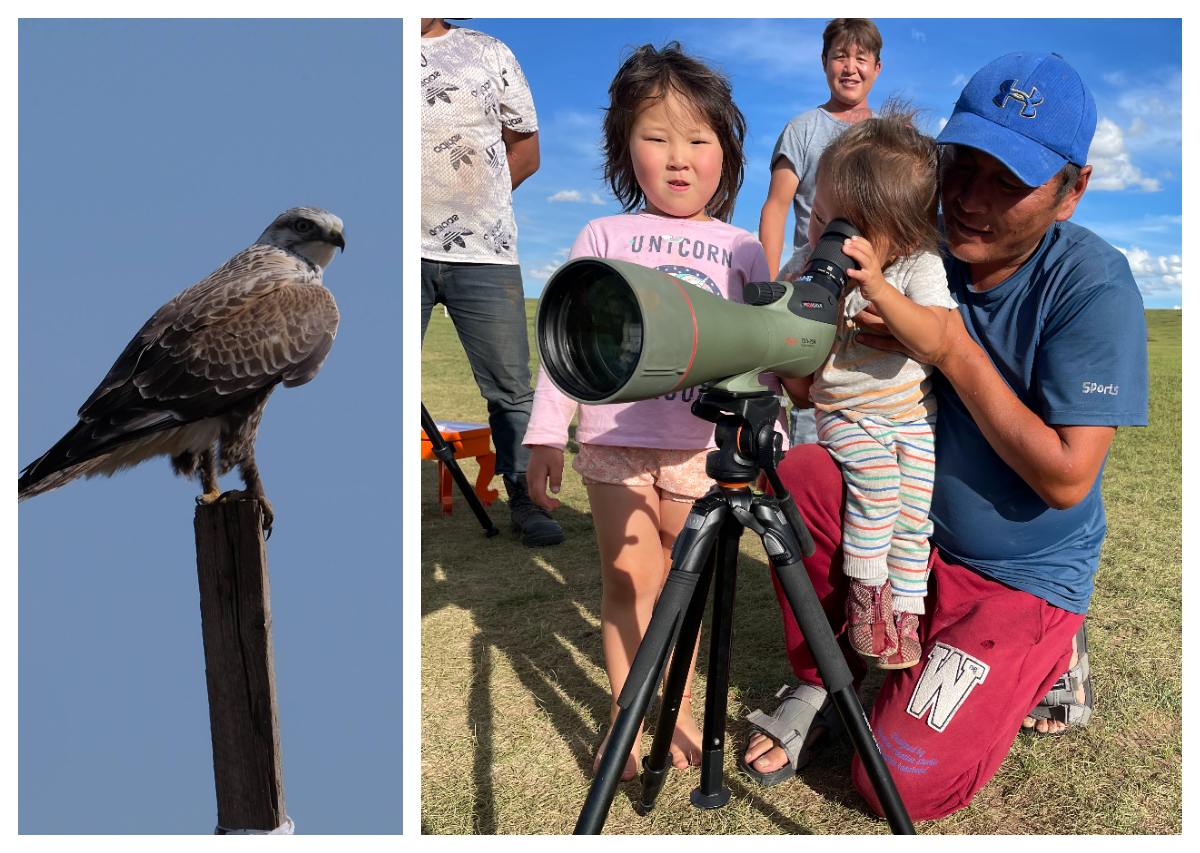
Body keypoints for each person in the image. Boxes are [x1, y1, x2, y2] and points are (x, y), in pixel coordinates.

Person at [740, 51, 1149, 822]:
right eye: (961, 164)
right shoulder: (912, 237)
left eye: (1010, 181)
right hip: (915, 535)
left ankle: (1045, 651)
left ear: (1072, 191)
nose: (969, 199)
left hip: (1014, 573)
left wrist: (950, 347)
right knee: (800, 473)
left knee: (898, 781)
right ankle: (823, 680)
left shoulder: (1093, 285)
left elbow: (1066, 478)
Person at [522, 43, 797, 782]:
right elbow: (565, 345)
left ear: (726, 154)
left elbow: (761, 346)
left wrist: (767, 425)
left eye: (698, 140)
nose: (679, 159)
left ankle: (671, 710)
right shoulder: (602, 238)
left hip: (696, 448)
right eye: (656, 137)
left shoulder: (742, 247)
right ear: (623, 148)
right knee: (624, 579)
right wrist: (546, 434)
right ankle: (623, 713)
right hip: (613, 440)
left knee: (681, 590)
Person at [783, 110, 958, 683]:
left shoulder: (917, 265)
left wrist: (879, 284)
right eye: (822, 217)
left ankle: (904, 613)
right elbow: (793, 361)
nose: (827, 238)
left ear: (903, 237)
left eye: (849, 229)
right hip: (847, 414)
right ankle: (866, 591)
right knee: (879, 484)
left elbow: (936, 338)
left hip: (911, 416)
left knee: (913, 518)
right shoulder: (806, 269)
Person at [420, 17, 563, 547]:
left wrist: (476, 204)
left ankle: (524, 497)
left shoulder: (489, 51)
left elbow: (525, 151)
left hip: (486, 252)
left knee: (509, 389)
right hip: (398, 254)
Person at [757, 19, 883, 448]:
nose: (850, 67)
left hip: (870, 285)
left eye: (861, 58)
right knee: (812, 397)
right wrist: (766, 283)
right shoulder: (802, 129)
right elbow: (776, 207)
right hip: (813, 283)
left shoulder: (889, 136)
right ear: (825, 63)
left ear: (877, 68)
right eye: (840, 56)